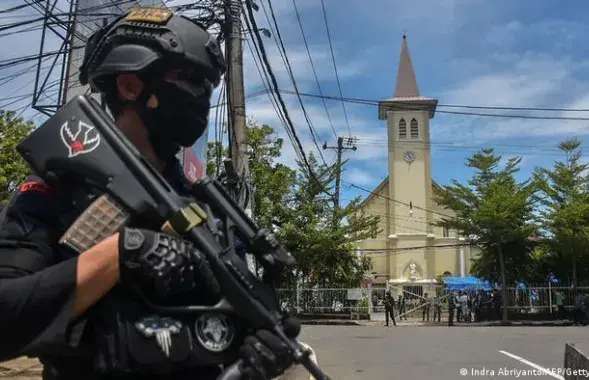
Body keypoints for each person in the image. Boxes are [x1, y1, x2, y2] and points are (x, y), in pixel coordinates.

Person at [0, 7, 299, 380]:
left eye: (208, 87)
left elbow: (217, 334)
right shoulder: (59, 189)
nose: (202, 97)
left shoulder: (204, 209)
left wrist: (254, 361)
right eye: (189, 79)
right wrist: (124, 252)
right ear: (129, 86)